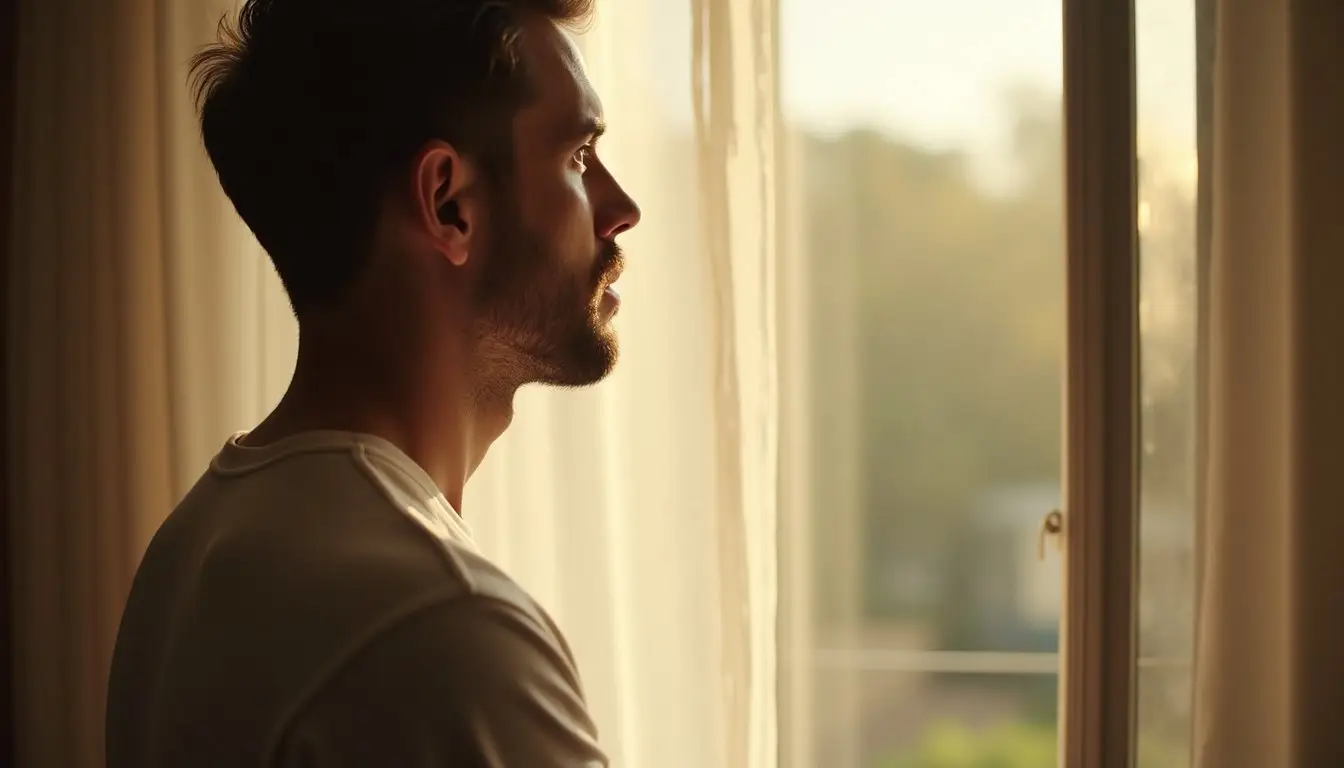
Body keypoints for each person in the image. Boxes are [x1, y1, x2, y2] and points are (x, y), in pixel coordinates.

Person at [106, 0, 640, 765]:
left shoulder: (190, 551)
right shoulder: (444, 625)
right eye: (579, 158)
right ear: (448, 204)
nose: (621, 209)